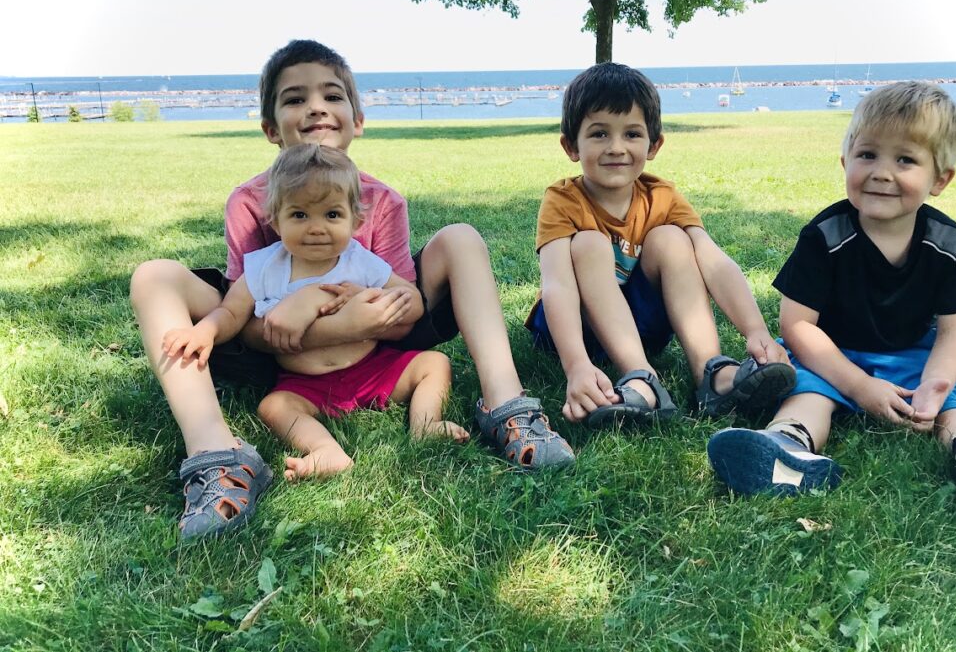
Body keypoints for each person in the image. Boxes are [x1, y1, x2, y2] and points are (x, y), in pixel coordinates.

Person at [131, 40, 573, 539]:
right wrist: (303, 305)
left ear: (357, 118)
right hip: (273, 346)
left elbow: (402, 310)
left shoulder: (382, 201)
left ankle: (508, 406)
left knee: (462, 239)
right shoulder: (249, 203)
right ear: (271, 128)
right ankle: (217, 457)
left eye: (332, 96)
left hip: (376, 341)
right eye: (295, 98)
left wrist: (354, 311)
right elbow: (248, 319)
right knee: (153, 275)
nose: (316, 106)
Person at [707, 81, 956, 497]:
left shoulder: (949, 243)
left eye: (905, 159)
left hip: (913, 359)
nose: (881, 172)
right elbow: (798, 325)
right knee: (808, 396)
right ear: (845, 161)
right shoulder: (825, 235)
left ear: (940, 179)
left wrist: (938, 382)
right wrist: (858, 385)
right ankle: (786, 446)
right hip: (831, 356)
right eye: (868, 154)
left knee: (945, 409)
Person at [163, 144, 469, 482]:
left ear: (356, 220)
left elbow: (411, 300)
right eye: (299, 215)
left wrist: (368, 294)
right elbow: (232, 313)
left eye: (332, 215)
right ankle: (325, 450)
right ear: (275, 220)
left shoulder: (360, 261)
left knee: (434, 364)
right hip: (305, 383)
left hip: (371, 369)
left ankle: (426, 423)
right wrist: (204, 331)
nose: (316, 227)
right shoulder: (264, 267)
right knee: (274, 407)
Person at [525, 62, 795, 428]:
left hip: (642, 324)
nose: (617, 148)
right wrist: (576, 366)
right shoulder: (562, 199)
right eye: (600, 134)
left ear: (654, 144)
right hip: (575, 328)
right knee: (589, 244)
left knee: (672, 238)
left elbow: (712, 260)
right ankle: (641, 378)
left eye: (632, 134)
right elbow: (555, 283)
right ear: (571, 145)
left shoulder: (661, 196)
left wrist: (756, 331)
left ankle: (711, 373)